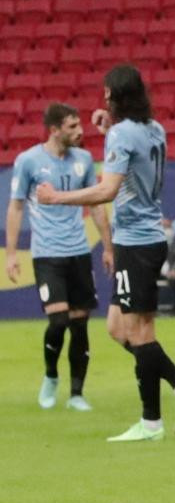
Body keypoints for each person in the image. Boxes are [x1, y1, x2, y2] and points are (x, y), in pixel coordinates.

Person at [35, 66, 175, 441]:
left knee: (141, 333)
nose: (103, 99)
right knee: (118, 328)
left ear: (116, 96)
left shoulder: (123, 134)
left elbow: (107, 190)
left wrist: (56, 198)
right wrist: (107, 130)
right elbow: (134, 156)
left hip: (136, 242)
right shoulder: (153, 129)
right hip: (146, 239)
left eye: (107, 94)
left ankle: (152, 421)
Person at [6, 102, 113, 411]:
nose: (79, 131)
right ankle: (51, 376)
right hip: (47, 254)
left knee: (80, 325)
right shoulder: (29, 161)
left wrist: (107, 247)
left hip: (78, 252)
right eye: (71, 127)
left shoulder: (83, 159)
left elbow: (95, 205)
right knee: (58, 321)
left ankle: (77, 394)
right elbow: (16, 207)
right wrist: (11, 253)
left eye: (79, 125)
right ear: (54, 130)